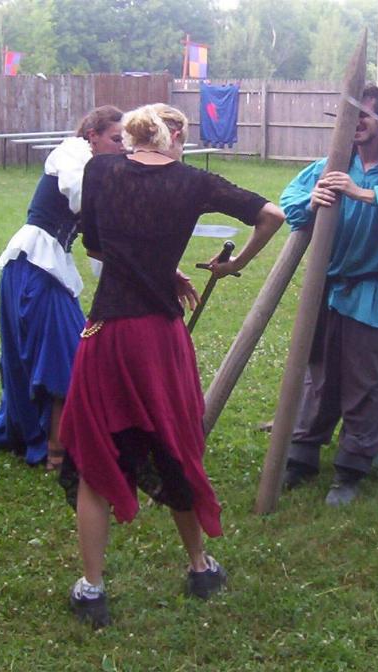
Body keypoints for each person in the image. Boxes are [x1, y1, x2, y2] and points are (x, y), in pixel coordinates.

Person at [58, 103, 284, 627]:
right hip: (159, 339)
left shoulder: (100, 169)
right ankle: (200, 567)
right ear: (175, 134)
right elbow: (273, 214)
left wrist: (157, 270)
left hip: (109, 334)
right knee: (175, 447)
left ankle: (92, 589)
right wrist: (234, 264)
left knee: (97, 454)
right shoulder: (194, 182)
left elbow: (98, 245)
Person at [278, 85, 378, 506]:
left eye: (364, 115)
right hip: (328, 287)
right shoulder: (330, 165)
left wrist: (363, 192)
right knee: (318, 375)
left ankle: (350, 468)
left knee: (367, 383)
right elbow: (290, 202)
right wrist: (312, 200)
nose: (356, 124)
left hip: (375, 289)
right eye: (350, 116)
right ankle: (302, 455)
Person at [0, 106, 125, 470]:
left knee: (64, 352)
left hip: (49, 267)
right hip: (34, 265)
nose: (122, 147)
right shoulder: (72, 152)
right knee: (66, 355)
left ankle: (54, 440)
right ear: (92, 135)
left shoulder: (99, 169)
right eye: (115, 139)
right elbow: (81, 197)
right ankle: (56, 450)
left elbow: (98, 242)